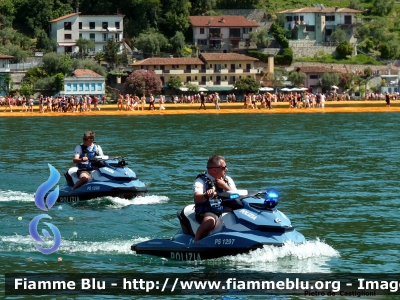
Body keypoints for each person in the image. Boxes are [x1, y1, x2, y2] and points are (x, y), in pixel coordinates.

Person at [192, 155, 237, 242]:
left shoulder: (227, 180)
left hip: (226, 210)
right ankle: (195, 244)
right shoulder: (200, 181)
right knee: (209, 222)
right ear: (215, 169)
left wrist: (225, 186)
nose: (226, 169)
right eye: (224, 167)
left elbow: (237, 195)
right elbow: (197, 197)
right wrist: (206, 195)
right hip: (209, 212)